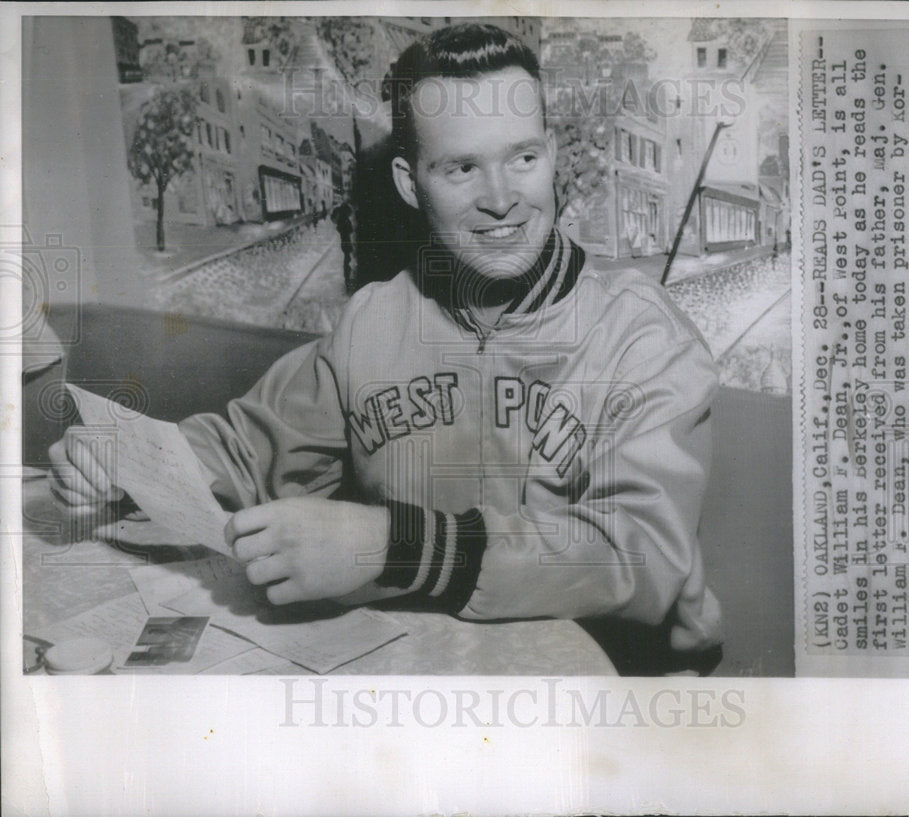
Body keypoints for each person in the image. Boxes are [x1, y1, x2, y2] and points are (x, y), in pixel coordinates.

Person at [49, 24, 722, 656]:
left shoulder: (643, 335)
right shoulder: (373, 321)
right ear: (409, 182)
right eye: (461, 168)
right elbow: (242, 449)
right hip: (421, 670)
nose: (501, 197)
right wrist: (125, 465)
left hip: (605, 693)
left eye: (522, 157)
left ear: (550, 157)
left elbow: (639, 555)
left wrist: (395, 546)